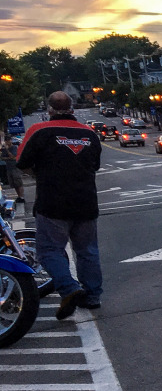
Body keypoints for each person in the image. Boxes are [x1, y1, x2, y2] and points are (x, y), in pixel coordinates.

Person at [15, 92, 103, 318]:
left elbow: (21, 162)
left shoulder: (39, 131)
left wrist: (40, 174)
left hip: (53, 203)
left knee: (49, 250)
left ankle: (69, 287)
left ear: (49, 109)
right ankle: (92, 296)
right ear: (72, 108)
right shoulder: (89, 133)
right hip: (85, 202)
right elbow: (95, 165)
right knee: (87, 251)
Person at [1, 132, 26, 211]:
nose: (7, 142)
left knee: (18, 182)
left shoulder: (14, 147)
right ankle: (18, 196)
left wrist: (8, 151)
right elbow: (2, 158)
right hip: (8, 168)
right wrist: (7, 156)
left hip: (15, 167)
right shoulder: (4, 149)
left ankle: (21, 196)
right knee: (13, 183)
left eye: (8, 140)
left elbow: (13, 157)